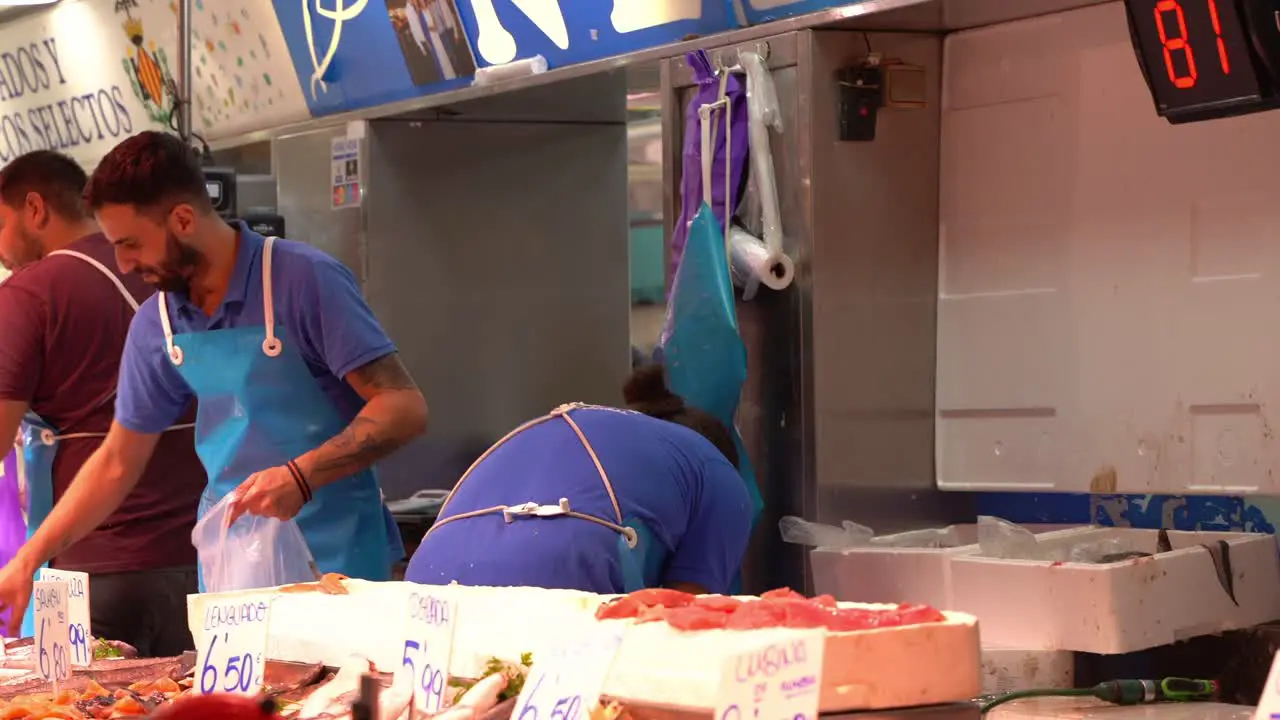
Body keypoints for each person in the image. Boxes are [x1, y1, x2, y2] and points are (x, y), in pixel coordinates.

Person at [0, 131, 427, 631]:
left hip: (339, 560)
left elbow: (403, 406)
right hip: (232, 574)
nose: (124, 264)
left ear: (182, 219)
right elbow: (117, 462)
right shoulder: (158, 322)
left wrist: (302, 474)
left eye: (131, 243)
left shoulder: (303, 279)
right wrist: (30, 557)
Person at [0, 150, 207, 654]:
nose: (0, 250)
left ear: (35, 208)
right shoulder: (173, 277)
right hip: (206, 560)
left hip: (93, 567)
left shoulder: (29, 293)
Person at [405, 364, 752, 595]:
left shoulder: (584, 430)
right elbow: (684, 618)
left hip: (426, 580)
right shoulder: (718, 472)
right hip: (555, 577)